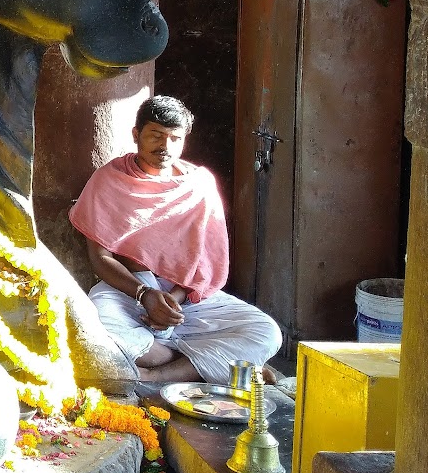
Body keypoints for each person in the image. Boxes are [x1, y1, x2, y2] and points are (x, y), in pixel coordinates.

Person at [69, 95, 282, 384]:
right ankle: (213, 366)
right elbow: (101, 258)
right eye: (156, 136)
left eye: (175, 138)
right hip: (127, 291)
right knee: (97, 327)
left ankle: (152, 374)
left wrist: (173, 300)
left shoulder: (199, 184)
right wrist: (145, 295)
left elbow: (205, 264)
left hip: (187, 302)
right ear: (136, 135)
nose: (165, 147)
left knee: (266, 332)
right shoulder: (109, 179)